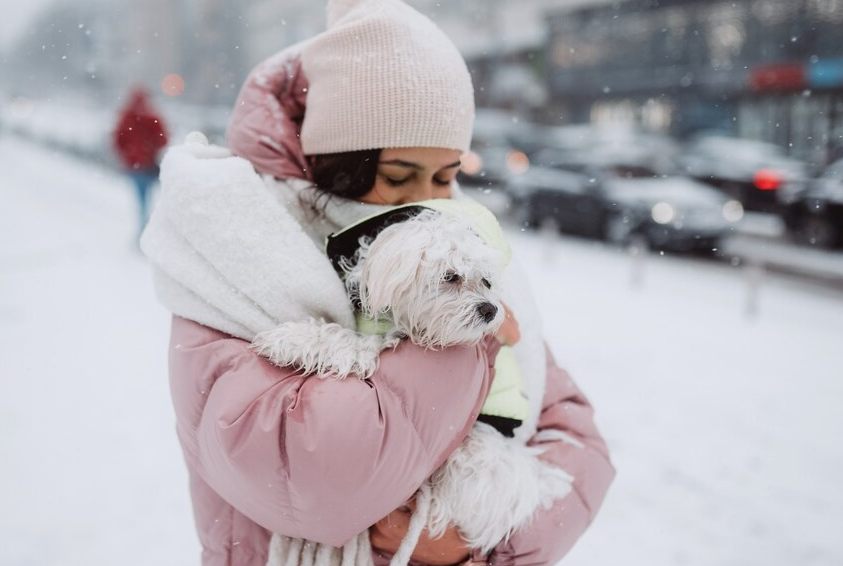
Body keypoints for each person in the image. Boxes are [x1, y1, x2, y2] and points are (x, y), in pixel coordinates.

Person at [140, 1, 615, 565]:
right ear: (339, 161)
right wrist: (472, 346)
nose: (427, 203)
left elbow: (578, 445)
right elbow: (318, 476)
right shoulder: (235, 255)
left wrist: (478, 545)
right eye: (398, 176)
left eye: (445, 177)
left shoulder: (458, 248)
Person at [112, 87, 168, 241]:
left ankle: (144, 231)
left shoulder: (127, 117)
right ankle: (149, 231)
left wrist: (127, 155)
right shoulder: (152, 117)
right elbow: (163, 139)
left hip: (135, 167)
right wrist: (151, 149)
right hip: (149, 166)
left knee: (141, 199)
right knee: (151, 199)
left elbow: (117, 140)